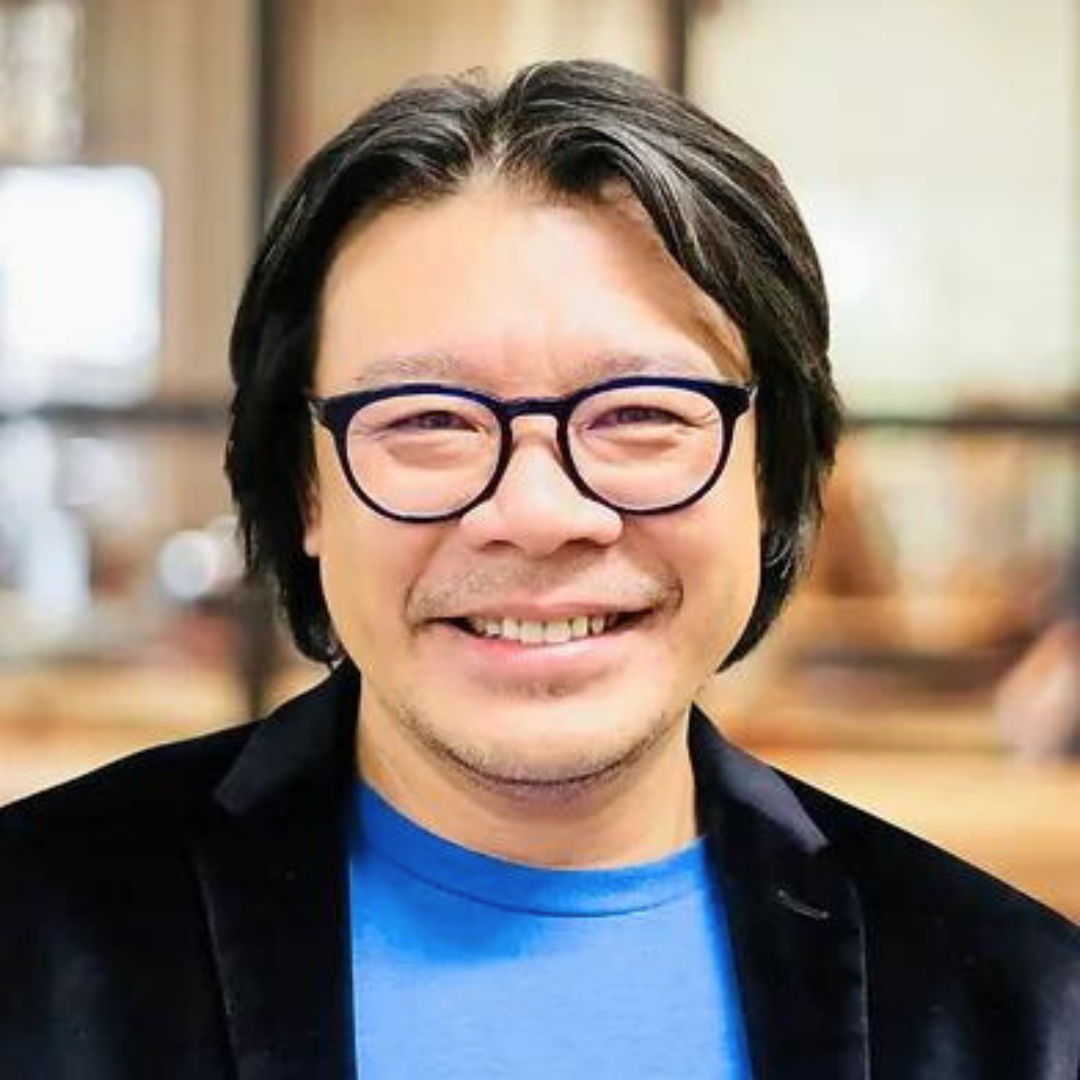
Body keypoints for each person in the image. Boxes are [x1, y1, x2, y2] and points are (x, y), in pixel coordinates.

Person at [1, 60, 1077, 1079]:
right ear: (306, 488)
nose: (539, 513)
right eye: (426, 418)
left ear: (771, 471)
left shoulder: (1018, 1013)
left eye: (642, 414)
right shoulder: (39, 945)